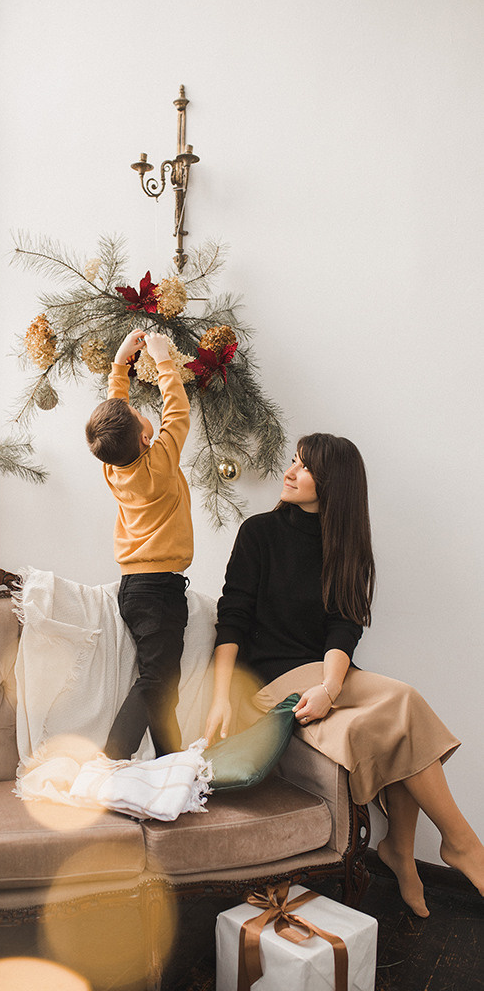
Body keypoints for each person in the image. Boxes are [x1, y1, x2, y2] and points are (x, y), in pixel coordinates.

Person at [204, 432, 484, 916]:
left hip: (326, 671)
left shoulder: (348, 545)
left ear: (333, 483)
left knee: (402, 707)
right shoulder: (259, 533)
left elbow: (343, 627)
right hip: (269, 680)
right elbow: (233, 616)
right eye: (293, 461)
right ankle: (460, 847)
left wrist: (330, 687)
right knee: (396, 714)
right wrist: (219, 696)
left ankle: (412, 847)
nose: (289, 472)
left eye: (304, 467)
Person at [85, 328, 193, 760]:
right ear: (146, 437)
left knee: (164, 682)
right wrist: (163, 359)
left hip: (134, 588)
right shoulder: (160, 464)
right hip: (159, 591)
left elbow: (118, 414)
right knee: (156, 679)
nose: (134, 408)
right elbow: (178, 411)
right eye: (135, 412)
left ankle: (173, 761)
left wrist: (121, 365)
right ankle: (111, 758)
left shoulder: (113, 466)